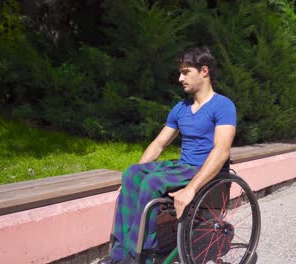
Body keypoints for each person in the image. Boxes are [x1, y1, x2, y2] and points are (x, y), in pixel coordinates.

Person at [100, 46, 236, 264]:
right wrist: (134, 179)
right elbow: (159, 143)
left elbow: (221, 151)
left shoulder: (223, 106)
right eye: (180, 72)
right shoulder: (181, 108)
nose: (180, 78)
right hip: (183, 167)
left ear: (204, 71)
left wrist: (191, 189)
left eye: (185, 72)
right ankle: (119, 255)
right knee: (131, 174)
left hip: (206, 172)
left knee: (152, 182)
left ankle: (141, 257)